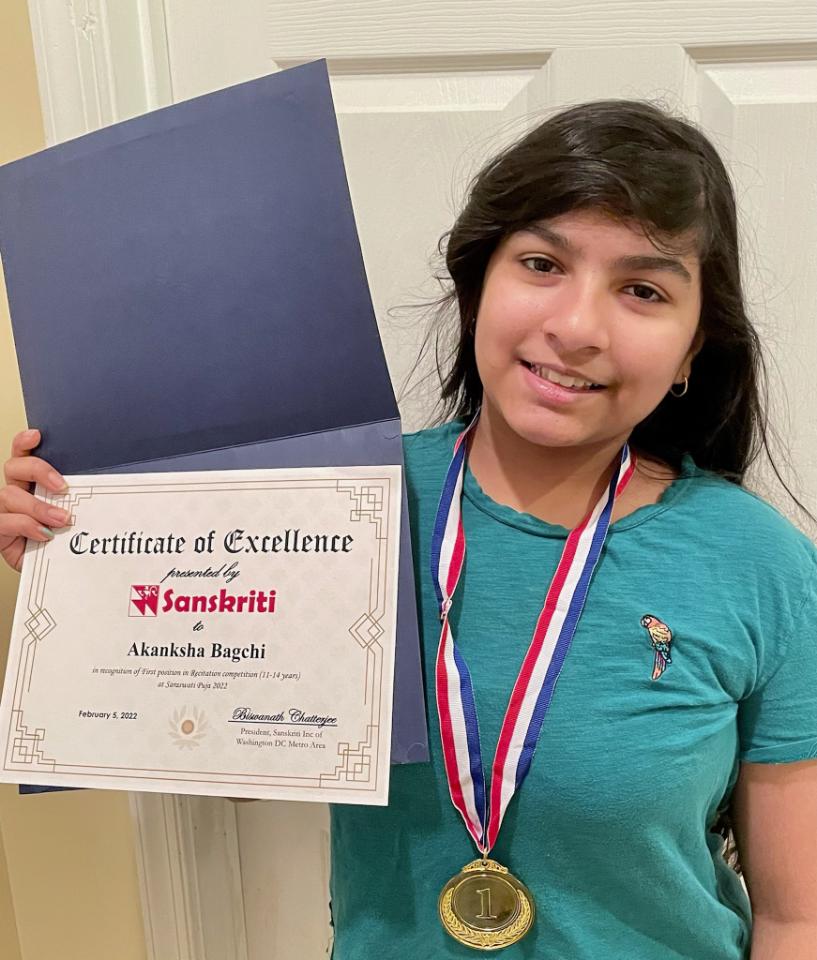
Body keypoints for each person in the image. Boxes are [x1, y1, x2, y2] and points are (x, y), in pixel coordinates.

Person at [2, 98, 816, 959]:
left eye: (642, 290)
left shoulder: (759, 564)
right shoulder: (337, 507)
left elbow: (795, 918)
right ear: (475, 285)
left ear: (692, 346)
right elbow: (243, 767)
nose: (576, 327)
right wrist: (87, 566)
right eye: (541, 263)